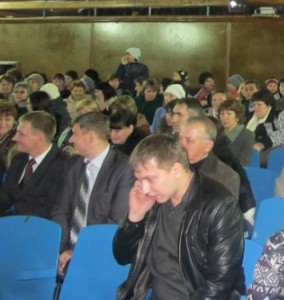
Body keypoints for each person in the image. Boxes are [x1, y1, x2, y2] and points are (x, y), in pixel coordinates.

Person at [113, 135, 245, 299]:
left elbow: (220, 283)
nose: (145, 189)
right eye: (140, 180)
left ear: (176, 170)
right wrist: (135, 216)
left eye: (150, 179)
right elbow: (122, 257)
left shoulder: (220, 205)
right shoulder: (152, 199)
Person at [53, 112, 135, 274]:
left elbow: (116, 220)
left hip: (101, 251)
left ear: (90, 136)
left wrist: (78, 251)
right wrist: (61, 250)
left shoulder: (124, 168)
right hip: (66, 251)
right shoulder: (72, 164)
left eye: (75, 134)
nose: (71, 140)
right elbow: (60, 210)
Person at [0, 111, 66, 218]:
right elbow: (4, 198)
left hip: (38, 224)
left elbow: (52, 209)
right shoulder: (18, 159)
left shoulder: (63, 165)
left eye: (21, 134)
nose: (14, 138)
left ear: (39, 138)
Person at [246, 88, 284, 154]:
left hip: (281, 153)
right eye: (254, 105)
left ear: (268, 105)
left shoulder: (281, 114)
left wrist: (262, 144)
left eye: (259, 105)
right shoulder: (251, 118)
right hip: (253, 153)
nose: (255, 108)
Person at [217, 99, 255, 166]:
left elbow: (244, 162)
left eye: (229, 114)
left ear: (237, 116)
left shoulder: (248, 135)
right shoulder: (216, 132)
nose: (225, 117)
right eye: (222, 114)